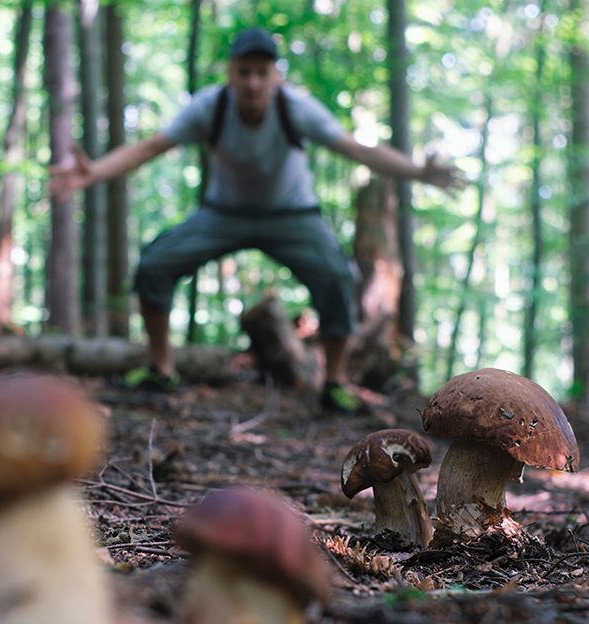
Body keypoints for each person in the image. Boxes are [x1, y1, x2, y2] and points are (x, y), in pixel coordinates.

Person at [50, 27, 458, 412]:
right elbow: (151, 146)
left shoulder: (296, 108)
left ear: (275, 76)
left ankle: (334, 383)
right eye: (244, 72)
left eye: (261, 73)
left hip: (293, 216)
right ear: (230, 72)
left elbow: (360, 151)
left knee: (336, 278)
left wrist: (418, 172)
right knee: (155, 265)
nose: (252, 82)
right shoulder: (210, 107)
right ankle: (161, 369)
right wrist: (94, 172)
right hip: (223, 214)